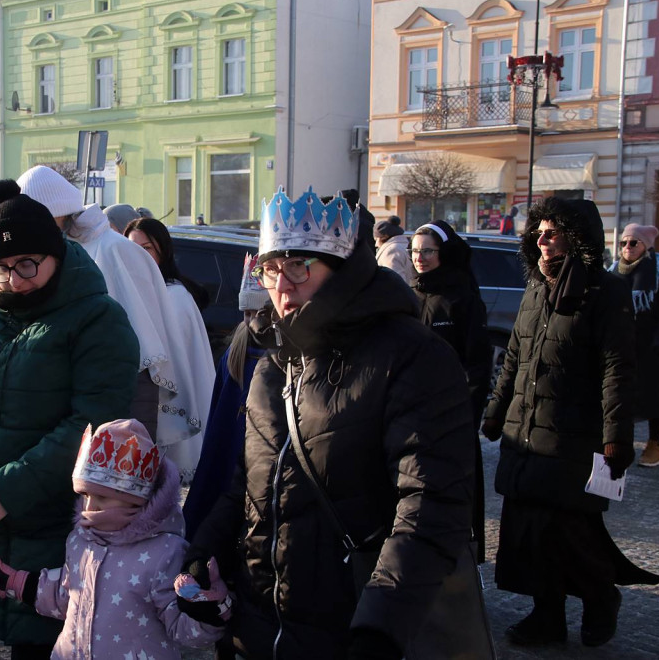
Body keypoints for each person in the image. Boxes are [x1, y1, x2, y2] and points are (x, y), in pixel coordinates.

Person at [183, 187, 475, 658]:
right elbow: (250, 486)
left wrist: (380, 627)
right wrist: (204, 553)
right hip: (262, 627)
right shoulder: (271, 365)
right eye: (271, 268)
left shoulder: (411, 356)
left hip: (353, 627)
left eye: (299, 266)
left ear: (344, 271)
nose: (281, 285)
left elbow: (430, 504)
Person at [0, 193, 139, 659]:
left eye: (27, 263)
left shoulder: (98, 319)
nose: (15, 280)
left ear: (57, 253)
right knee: (22, 635)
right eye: (0, 268)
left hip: (69, 524)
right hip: (5, 520)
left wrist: (5, 491)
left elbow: (93, 431)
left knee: (60, 637)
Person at [481, 197, 659, 649]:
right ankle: (547, 617)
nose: (541, 240)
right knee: (530, 535)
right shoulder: (534, 290)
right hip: (524, 433)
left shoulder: (605, 292)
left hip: (574, 435)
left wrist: (617, 439)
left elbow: (616, 370)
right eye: (538, 232)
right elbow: (514, 362)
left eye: (553, 232)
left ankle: (601, 597)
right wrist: (495, 411)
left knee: (571, 533)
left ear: (577, 238)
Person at [0, 419, 227, 659]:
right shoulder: (81, 540)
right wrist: (13, 582)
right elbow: (67, 595)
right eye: (86, 495)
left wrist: (209, 609)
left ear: (136, 499)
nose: (90, 507)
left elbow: (183, 628)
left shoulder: (164, 551)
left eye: (102, 498)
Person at [16, 165, 208, 479]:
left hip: (122, 404)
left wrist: (131, 451)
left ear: (56, 214)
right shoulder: (57, 251)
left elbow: (144, 359)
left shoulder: (117, 250)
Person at [410, 219, 492, 563]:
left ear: (444, 252)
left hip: (452, 418)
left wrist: (467, 414)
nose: (420, 258)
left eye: (427, 251)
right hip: (414, 415)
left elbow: (477, 363)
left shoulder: (462, 297)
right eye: (414, 251)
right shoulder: (411, 294)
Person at [182, 252, 267, 541]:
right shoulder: (237, 353)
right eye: (247, 313)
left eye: (261, 312)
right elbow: (219, 422)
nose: (253, 321)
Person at [124, 217, 215, 478]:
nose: (138, 256)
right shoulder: (137, 293)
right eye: (132, 249)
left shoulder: (175, 297)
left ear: (163, 251)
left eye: (147, 249)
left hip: (169, 405)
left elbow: (173, 363)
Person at [609, 223, 659, 467]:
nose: (627, 247)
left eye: (633, 242)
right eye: (624, 242)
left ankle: (654, 445)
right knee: (620, 397)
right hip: (621, 346)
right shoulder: (613, 272)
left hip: (653, 348)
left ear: (646, 246)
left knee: (655, 398)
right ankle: (620, 443)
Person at [373, 215, 414, 285]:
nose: (376, 244)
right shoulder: (404, 246)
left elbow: (394, 283)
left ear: (384, 237)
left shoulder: (391, 251)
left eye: (376, 239)